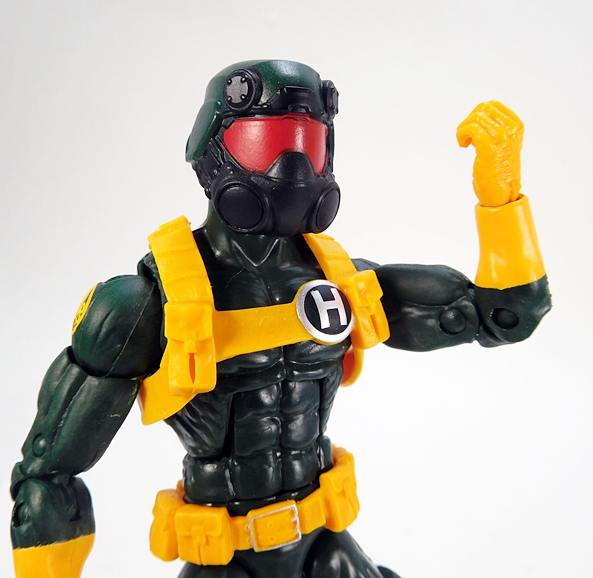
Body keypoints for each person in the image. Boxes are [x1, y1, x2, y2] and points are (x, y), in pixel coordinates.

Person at [10, 60, 551, 578]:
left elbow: (505, 315)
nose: (292, 168)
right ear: (212, 151)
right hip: (225, 556)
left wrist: (500, 196)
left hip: (325, 544)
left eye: (309, 145)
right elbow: (46, 477)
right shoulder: (145, 304)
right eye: (264, 142)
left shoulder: (343, 282)